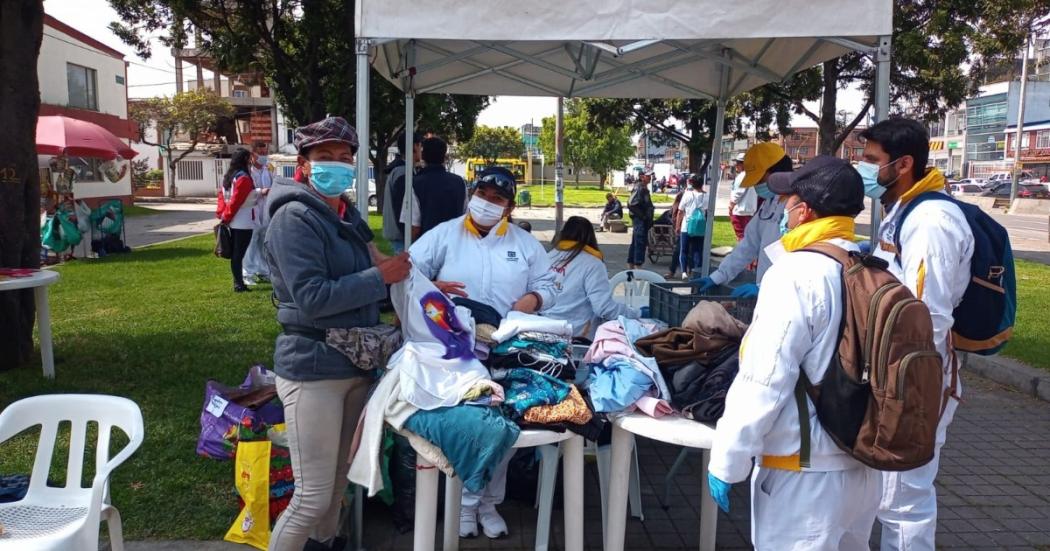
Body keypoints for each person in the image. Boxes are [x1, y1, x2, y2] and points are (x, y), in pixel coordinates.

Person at [708, 156, 879, 549]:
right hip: (862, 466)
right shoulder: (869, 265)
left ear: (807, 210)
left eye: (790, 197)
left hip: (803, 473)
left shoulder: (795, 274)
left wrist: (728, 460)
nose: (784, 206)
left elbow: (764, 379)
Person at [264, 116, 412, 551]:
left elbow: (379, 264)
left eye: (345, 159)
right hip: (314, 370)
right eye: (324, 157)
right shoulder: (294, 218)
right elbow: (312, 297)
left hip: (354, 365)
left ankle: (324, 546)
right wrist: (381, 277)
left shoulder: (345, 215)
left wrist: (419, 287)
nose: (337, 165)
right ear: (303, 165)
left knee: (333, 490)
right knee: (309, 498)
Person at [409, 166, 558, 539]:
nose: (487, 204)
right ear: (471, 194)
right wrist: (433, 285)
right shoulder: (445, 234)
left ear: (508, 207)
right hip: (454, 350)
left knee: (504, 425)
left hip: (508, 349)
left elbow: (549, 282)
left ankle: (488, 502)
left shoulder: (524, 243)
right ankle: (461, 504)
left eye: (497, 199)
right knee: (468, 426)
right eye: (482, 195)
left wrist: (532, 299)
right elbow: (407, 271)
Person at [860, 118, 969, 551]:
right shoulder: (903, 210)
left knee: (903, 499)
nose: (864, 169)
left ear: (903, 164)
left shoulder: (931, 221)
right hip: (896, 370)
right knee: (887, 492)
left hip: (915, 374)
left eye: (871, 160)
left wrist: (898, 382)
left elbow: (929, 316)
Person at [691, 143, 792, 298]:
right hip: (767, 293)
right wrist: (719, 276)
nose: (757, 185)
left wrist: (766, 288)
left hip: (787, 294)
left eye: (759, 179)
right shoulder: (769, 203)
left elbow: (796, 259)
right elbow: (748, 245)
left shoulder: (798, 206)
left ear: (775, 171)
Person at [543, 216, 642, 339]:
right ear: (590, 237)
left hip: (543, 331)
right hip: (577, 336)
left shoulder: (547, 258)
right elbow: (604, 308)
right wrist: (637, 313)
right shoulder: (592, 263)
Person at [400, 136, 467, 242]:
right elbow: (465, 218)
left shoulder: (415, 184)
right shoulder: (459, 183)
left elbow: (414, 228)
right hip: (454, 246)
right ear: (444, 156)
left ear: (423, 155)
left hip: (427, 248)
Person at [216, 148, 258, 293]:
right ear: (245, 159)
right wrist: (227, 216)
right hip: (242, 220)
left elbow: (222, 197)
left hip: (233, 219)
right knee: (238, 254)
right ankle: (239, 284)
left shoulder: (229, 176)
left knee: (237, 254)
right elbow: (237, 201)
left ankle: (238, 282)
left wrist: (223, 215)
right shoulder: (243, 178)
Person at [382, 132, 424, 253]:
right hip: (404, 238)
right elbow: (403, 209)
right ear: (415, 146)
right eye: (420, 146)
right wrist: (411, 234)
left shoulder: (401, 170)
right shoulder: (403, 173)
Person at [241, 140, 275, 285]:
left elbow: (274, 184)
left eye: (265, 153)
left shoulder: (269, 169)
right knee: (251, 241)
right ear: (253, 155)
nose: (263, 156)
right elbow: (244, 192)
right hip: (252, 209)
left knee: (264, 241)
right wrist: (261, 191)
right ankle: (247, 273)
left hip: (266, 209)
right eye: (260, 153)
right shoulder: (247, 171)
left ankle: (263, 271)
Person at [674, 174, 707, 280]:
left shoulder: (688, 195)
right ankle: (697, 272)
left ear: (692, 183)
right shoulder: (707, 196)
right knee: (697, 251)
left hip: (686, 227)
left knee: (684, 250)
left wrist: (677, 225)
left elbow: (680, 211)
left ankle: (684, 272)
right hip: (700, 228)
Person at [627, 173, 654, 269]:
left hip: (642, 220)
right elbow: (631, 204)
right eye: (648, 176)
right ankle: (638, 265)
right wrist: (642, 216)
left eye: (651, 176)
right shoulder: (639, 188)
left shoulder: (643, 188)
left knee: (636, 241)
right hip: (639, 220)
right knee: (640, 241)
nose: (650, 178)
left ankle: (632, 264)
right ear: (642, 177)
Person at [728, 152, 757, 241]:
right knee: (747, 236)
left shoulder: (743, 176)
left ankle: (743, 254)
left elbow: (738, 192)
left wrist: (731, 204)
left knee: (741, 237)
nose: (736, 165)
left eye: (738, 163)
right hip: (749, 210)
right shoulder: (752, 175)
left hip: (740, 210)